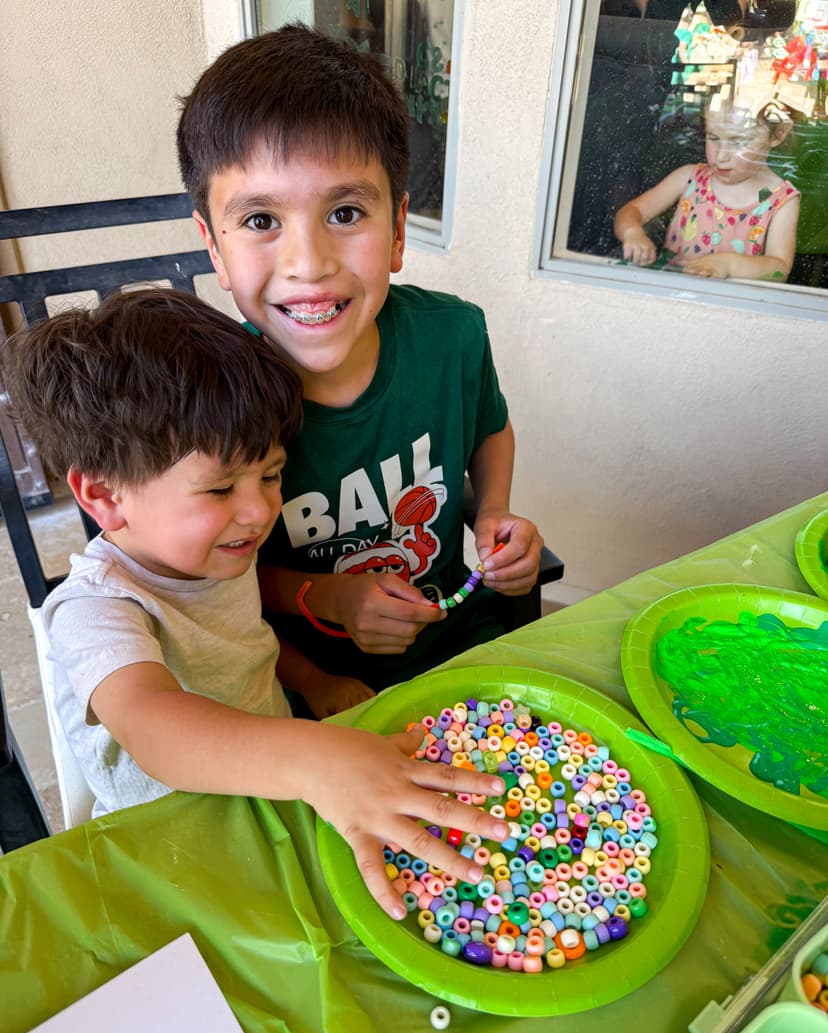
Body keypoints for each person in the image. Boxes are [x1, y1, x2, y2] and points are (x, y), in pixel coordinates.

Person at [2, 287, 509, 918]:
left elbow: (247, 648)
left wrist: (314, 680)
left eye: (269, 476)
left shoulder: (218, 550)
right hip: (173, 851)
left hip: (272, 799)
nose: (259, 511)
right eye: (219, 488)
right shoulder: (97, 607)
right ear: (104, 495)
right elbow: (155, 727)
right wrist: (317, 760)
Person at [176, 24, 544, 696]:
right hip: (303, 688)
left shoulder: (453, 337)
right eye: (260, 221)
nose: (309, 264)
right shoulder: (210, 405)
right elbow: (210, 582)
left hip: (458, 650)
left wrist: (493, 512)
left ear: (399, 230)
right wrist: (327, 614)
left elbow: (491, 427)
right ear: (213, 247)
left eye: (345, 212)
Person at [614, 99, 800, 279]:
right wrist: (633, 233)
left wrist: (727, 265)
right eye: (713, 138)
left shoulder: (781, 199)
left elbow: (779, 269)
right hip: (669, 290)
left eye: (739, 142)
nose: (721, 156)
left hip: (726, 304)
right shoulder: (690, 178)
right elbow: (632, 211)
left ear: (778, 134)